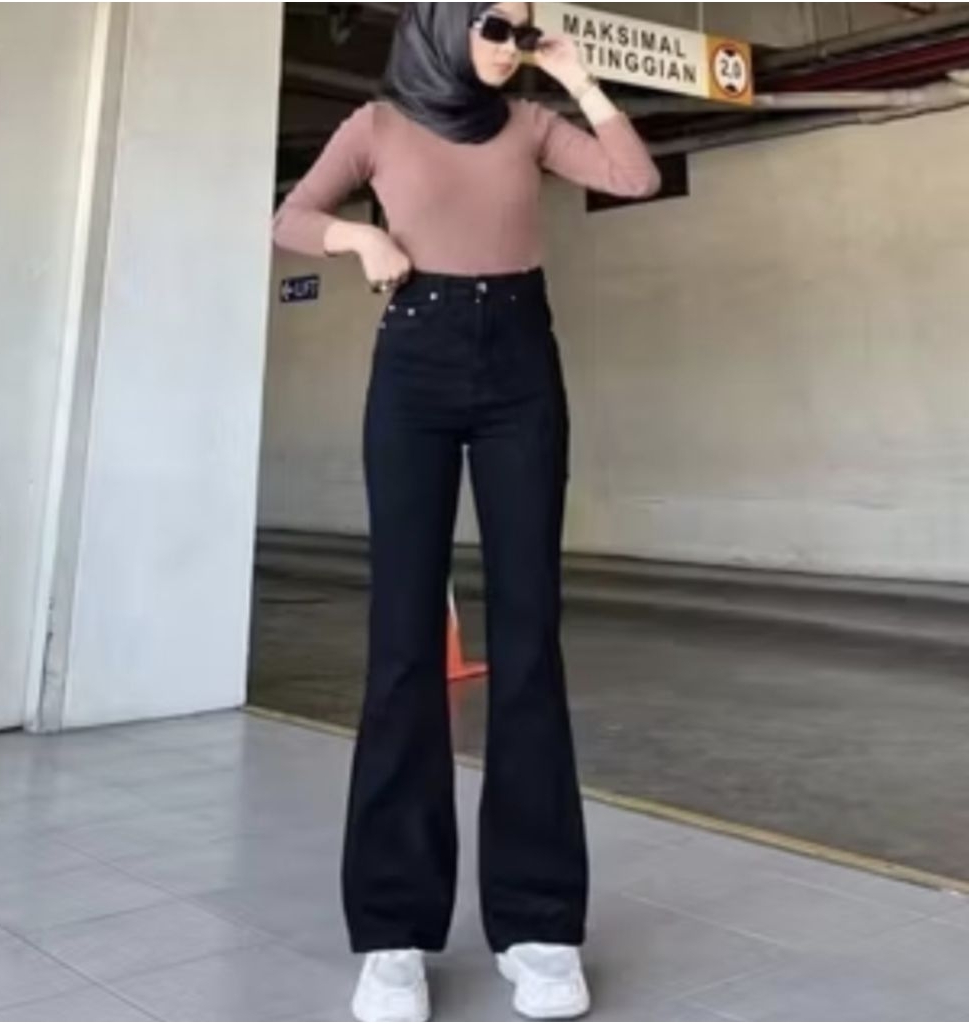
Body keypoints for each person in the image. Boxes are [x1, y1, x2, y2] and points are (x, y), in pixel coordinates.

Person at [272, 3, 660, 1020]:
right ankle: (394, 934)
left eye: (522, 29)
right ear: (442, 21)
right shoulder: (376, 124)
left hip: (521, 362)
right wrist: (357, 236)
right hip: (415, 360)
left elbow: (634, 177)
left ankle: (537, 925)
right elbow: (289, 218)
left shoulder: (529, 123)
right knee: (402, 642)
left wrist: (575, 78)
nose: (508, 44)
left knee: (529, 634)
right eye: (495, 23)